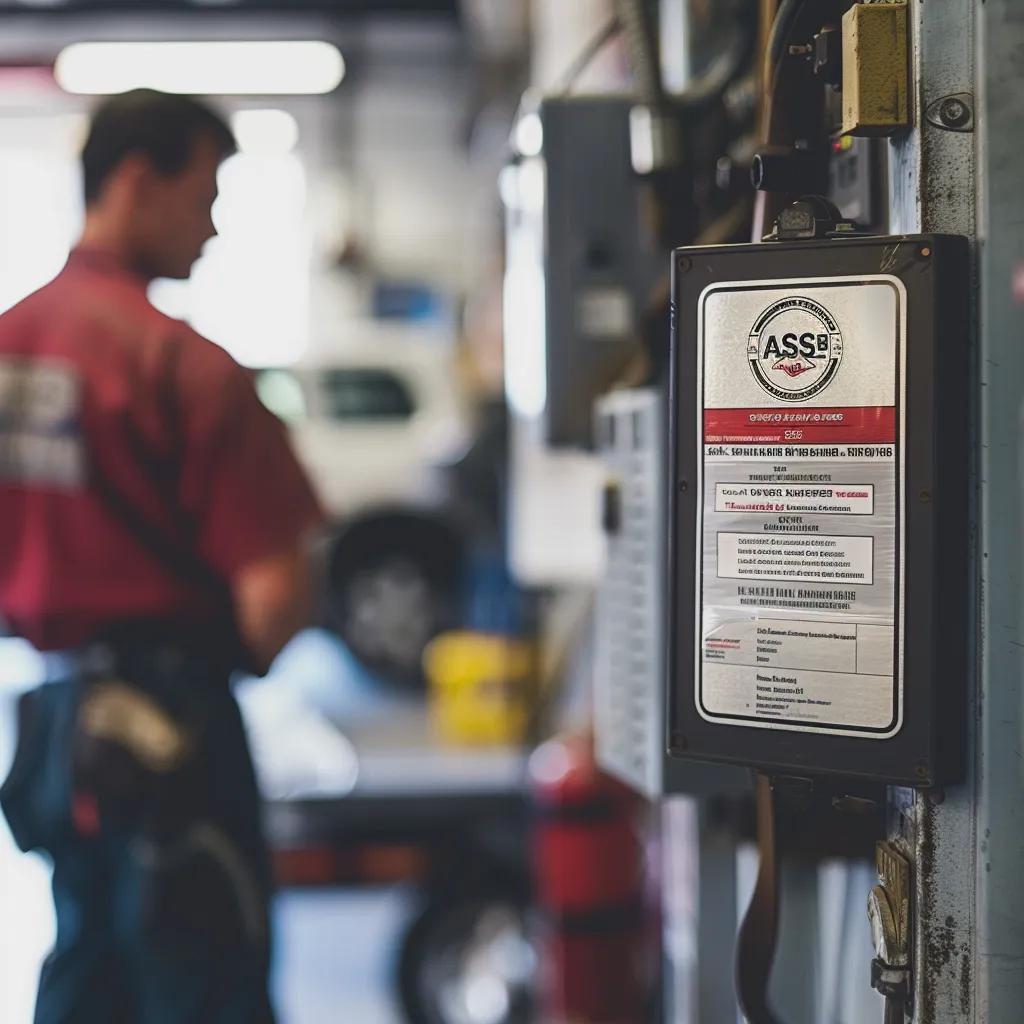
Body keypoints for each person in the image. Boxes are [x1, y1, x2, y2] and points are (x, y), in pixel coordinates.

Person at [0, 89, 323, 1023]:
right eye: (208, 194)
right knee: (203, 984)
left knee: (84, 970)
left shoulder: (9, 345)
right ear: (138, 180)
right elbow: (273, 600)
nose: (215, 228)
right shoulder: (181, 365)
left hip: (57, 727)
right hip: (175, 732)